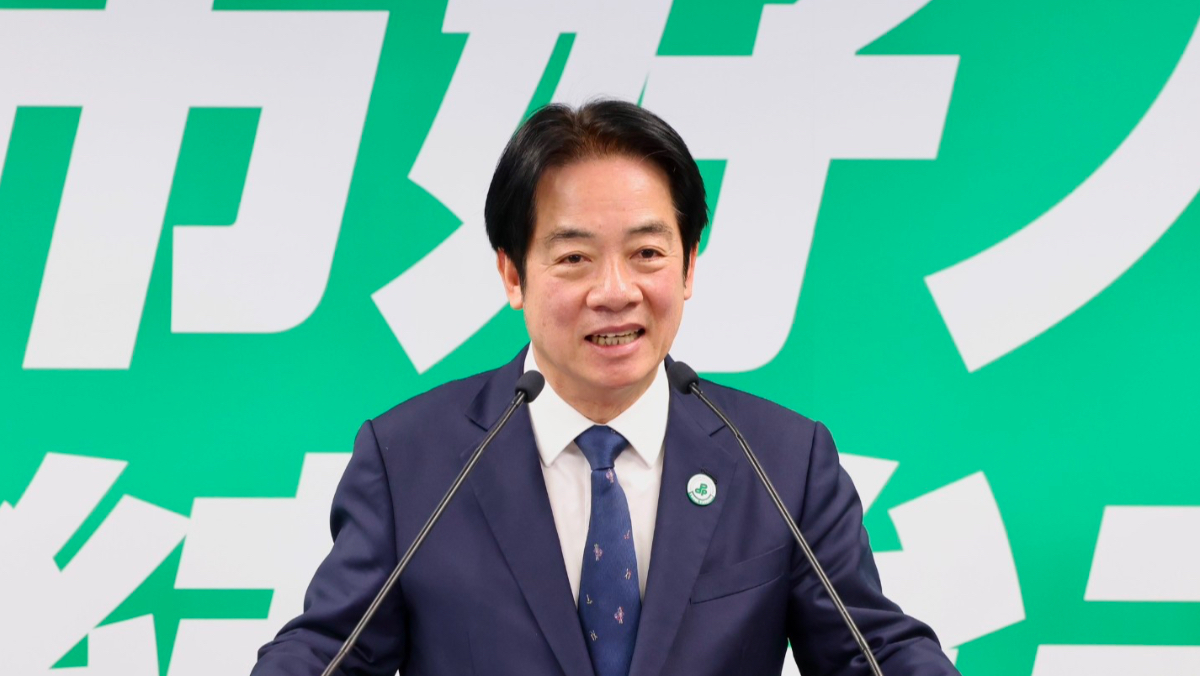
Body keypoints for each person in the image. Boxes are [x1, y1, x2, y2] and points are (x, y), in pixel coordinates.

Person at [251, 100, 960, 676]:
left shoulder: (781, 460)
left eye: (647, 253)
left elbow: (871, 652)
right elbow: (329, 652)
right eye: (575, 258)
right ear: (512, 274)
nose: (615, 292)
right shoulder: (412, 459)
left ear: (688, 266)